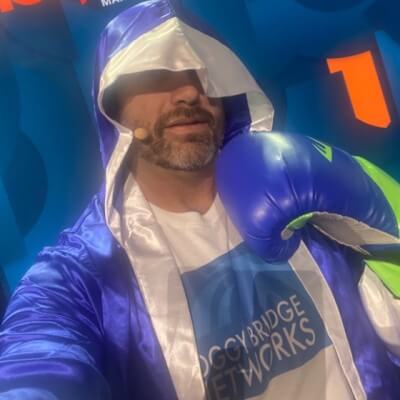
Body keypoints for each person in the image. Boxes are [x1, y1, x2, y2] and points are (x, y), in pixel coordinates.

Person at [0, 0, 400, 399]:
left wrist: (379, 205)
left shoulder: (303, 192)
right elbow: (37, 359)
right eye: (158, 73)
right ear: (112, 103)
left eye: (204, 72)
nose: (190, 91)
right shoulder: (81, 271)